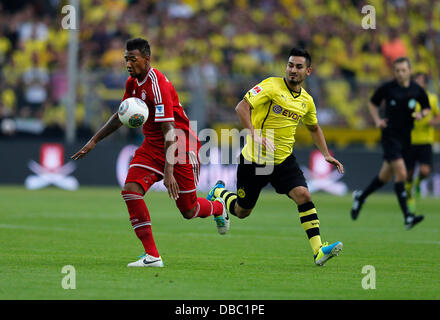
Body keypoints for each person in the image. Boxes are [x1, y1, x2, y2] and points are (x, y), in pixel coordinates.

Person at [71, 38, 229, 268]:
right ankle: (152, 256)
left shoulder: (158, 85)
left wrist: (169, 171)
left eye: (132, 59)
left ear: (147, 59)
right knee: (131, 191)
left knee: (189, 210)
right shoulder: (132, 83)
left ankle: (218, 206)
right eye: (126, 59)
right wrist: (94, 141)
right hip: (151, 147)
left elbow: (170, 130)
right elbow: (120, 116)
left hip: (179, 148)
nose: (128, 64)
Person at [206, 48, 344, 266]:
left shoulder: (306, 101)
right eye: (290, 65)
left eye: (298, 67)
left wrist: (326, 154)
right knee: (242, 212)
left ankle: (318, 251)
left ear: (308, 71)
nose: (293, 70)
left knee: (304, 195)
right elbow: (241, 108)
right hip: (254, 161)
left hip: (282, 161)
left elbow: (314, 127)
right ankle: (220, 192)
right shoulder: (271, 86)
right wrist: (256, 135)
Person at [351, 57, 430, 229]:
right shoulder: (388, 88)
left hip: (405, 139)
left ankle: (360, 196)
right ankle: (408, 216)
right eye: (397, 70)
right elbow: (372, 103)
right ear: (394, 72)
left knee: (384, 177)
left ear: (409, 71)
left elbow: (426, 107)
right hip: (390, 136)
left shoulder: (417, 90)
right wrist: (377, 119)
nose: (400, 73)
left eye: (403, 70)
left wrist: (421, 115)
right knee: (401, 174)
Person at [405, 72, 440, 212]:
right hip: (411, 140)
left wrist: (433, 121)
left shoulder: (432, 98)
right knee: (408, 173)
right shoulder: (409, 98)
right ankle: (410, 198)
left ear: (425, 83)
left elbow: (438, 116)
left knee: (425, 171)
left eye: (421, 81)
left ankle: (418, 183)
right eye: (416, 81)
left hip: (426, 140)